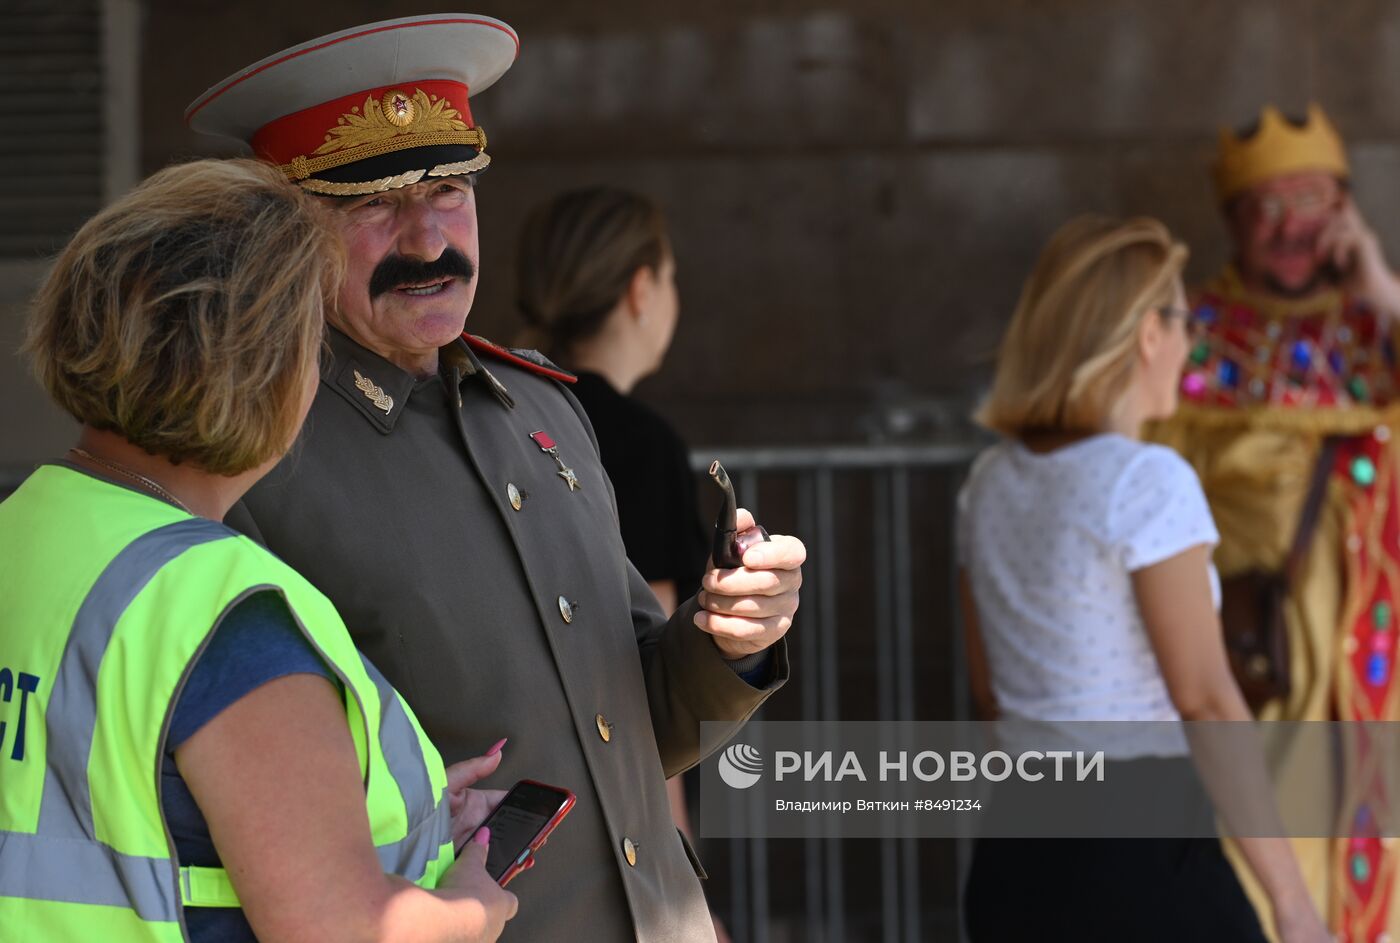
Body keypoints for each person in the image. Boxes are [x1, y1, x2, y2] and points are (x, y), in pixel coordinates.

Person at [184, 15, 805, 941]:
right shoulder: (251, 458)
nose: (429, 240)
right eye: (373, 204)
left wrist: (732, 638)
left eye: (448, 190)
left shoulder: (542, 408)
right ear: (289, 231)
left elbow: (642, 722)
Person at [0, 158, 516, 941]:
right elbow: (344, 930)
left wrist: (378, 807)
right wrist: (477, 899)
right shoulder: (224, 612)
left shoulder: (30, 524)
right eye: (310, 338)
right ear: (266, 364)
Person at [957, 215, 1328, 942]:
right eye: (1185, 320)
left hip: (1015, 850)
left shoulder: (987, 481)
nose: (1191, 343)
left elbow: (988, 692)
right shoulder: (1146, 480)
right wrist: (1294, 903)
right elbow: (1206, 699)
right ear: (1147, 334)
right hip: (1140, 849)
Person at [1151, 103, 1400, 940]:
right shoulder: (1190, 336)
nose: (1295, 227)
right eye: (1272, 206)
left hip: (1382, 682)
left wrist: (1379, 280)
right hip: (1261, 675)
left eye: (1316, 203)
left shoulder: (1378, 327)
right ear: (1233, 220)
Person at [514, 186, 730, 942]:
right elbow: (645, 672)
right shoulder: (640, 443)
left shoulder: (503, 410)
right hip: (621, 818)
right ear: (642, 289)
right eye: (670, 278)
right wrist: (679, 892)